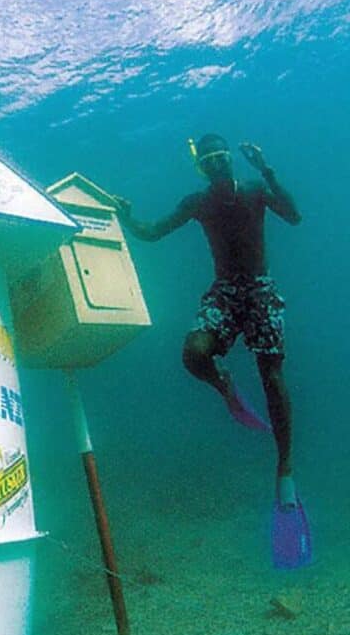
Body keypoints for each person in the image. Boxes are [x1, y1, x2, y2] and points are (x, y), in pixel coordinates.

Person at [113, 134, 302, 508]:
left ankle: (285, 468)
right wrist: (127, 216)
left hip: (259, 289)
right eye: (209, 160)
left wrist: (267, 169)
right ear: (201, 167)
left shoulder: (255, 189)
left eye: (221, 157)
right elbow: (152, 233)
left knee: (272, 376)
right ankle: (223, 383)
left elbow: (294, 215)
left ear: (231, 158)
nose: (216, 164)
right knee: (193, 354)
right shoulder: (198, 202)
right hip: (225, 291)